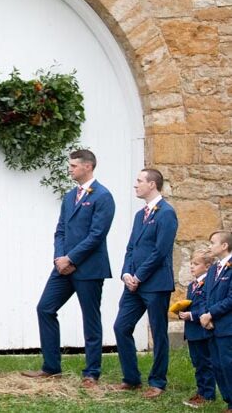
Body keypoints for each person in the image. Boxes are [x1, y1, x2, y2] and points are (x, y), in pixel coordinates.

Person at [23, 149, 115, 386]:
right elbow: (60, 230)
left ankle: (91, 373)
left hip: (89, 268)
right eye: (70, 165)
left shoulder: (103, 196)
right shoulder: (69, 196)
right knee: (45, 308)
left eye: (74, 165)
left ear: (88, 166)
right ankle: (51, 367)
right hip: (62, 268)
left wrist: (71, 259)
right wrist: (59, 259)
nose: (70, 169)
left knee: (90, 319)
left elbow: (97, 235)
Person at [113, 168, 178, 398]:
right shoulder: (140, 215)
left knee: (158, 333)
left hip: (156, 284)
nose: (135, 185)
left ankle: (157, 382)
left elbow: (160, 251)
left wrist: (139, 276)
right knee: (121, 327)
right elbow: (131, 247)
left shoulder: (167, 213)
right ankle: (131, 379)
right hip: (133, 285)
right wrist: (126, 274)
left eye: (139, 181)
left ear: (152, 184)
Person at [178, 248, 217, 408]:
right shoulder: (192, 285)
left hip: (201, 330)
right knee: (197, 363)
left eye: (196, 264)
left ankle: (207, 394)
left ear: (207, 266)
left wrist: (191, 315)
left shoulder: (209, 284)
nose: (192, 267)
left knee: (204, 363)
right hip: (192, 332)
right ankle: (201, 391)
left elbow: (207, 306)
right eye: (191, 263)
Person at [200, 230, 232, 412]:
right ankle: (228, 400)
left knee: (228, 364)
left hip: (227, 326)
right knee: (218, 365)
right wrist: (206, 315)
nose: (209, 246)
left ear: (224, 245)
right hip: (211, 326)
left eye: (212, 242)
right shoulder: (213, 269)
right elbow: (205, 296)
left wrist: (211, 313)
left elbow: (230, 298)